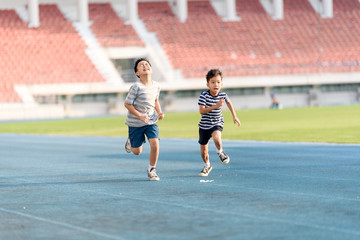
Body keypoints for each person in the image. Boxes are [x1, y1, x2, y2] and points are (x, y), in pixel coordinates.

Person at [124, 58, 165, 181]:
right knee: (136, 152)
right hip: (135, 123)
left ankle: (152, 169)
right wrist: (140, 115)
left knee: (155, 143)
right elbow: (127, 104)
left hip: (151, 121)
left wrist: (160, 111)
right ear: (137, 73)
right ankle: (131, 141)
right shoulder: (136, 87)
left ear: (151, 69)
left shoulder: (157, 85)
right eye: (141, 65)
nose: (145, 66)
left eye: (147, 64)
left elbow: (156, 101)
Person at [197, 69, 241, 177]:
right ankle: (207, 165)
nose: (215, 84)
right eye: (213, 82)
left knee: (217, 137)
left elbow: (229, 103)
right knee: (203, 152)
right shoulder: (204, 95)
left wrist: (234, 116)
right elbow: (201, 111)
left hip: (217, 122)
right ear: (208, 84)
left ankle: (220, 152)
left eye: (218, 82)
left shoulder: (223, 95)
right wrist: (215, 106)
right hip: (204, 125)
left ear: (221, 84)